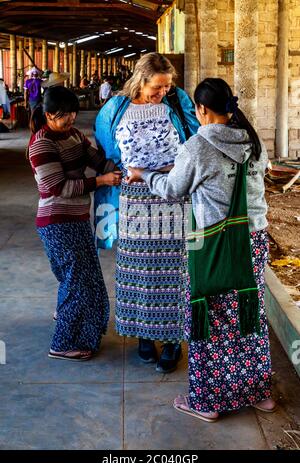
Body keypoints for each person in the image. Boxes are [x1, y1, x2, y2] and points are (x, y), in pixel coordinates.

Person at [128, 77, 276, 419]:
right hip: (253, 239)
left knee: (209, 316)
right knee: (249, 314)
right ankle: (257, 391)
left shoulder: (199, 145)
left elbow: (173, 188)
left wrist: (144, 175)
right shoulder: (253, 141)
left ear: (202, 110)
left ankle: (207, 401)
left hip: (213, 243)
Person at [94, 52, 199, 373]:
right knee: (137, 270)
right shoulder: (115, 107)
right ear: (141, 79)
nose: (163, 92)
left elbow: (193, 140)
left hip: (171, 195)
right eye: (158, 86)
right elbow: (105, 147)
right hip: (134, 198)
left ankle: (170, 341)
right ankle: (143, 335)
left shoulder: (178, 102)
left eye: (167, 87)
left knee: (173, 271)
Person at [28, 86, 122, 361]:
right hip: (56, 221)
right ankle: (63, 343)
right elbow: (59, 187)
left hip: (78, 218)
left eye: (72, 114)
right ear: (48, 115)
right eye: (63, 116)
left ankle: (79, 328)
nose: (69, 120)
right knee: (77, 282)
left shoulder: (74, 134)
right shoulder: (41, 144)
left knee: (83, 278)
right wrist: (101, 181)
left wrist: (121, 170)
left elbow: (95, 159)